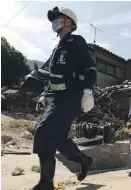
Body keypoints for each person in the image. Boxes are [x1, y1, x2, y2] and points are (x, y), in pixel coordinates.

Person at [30, 7, 97, 190]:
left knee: (43, 132)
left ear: (69, 22)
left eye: (58, 18)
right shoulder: (57, 48)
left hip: (72, 96)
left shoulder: (77, 41)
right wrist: (45, 94)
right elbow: (52, 76)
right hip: (59, 98)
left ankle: (46, 183)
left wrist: (87, 92)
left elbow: (89, 68)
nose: (55, 22)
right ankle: (84, 160)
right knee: (57, 137)